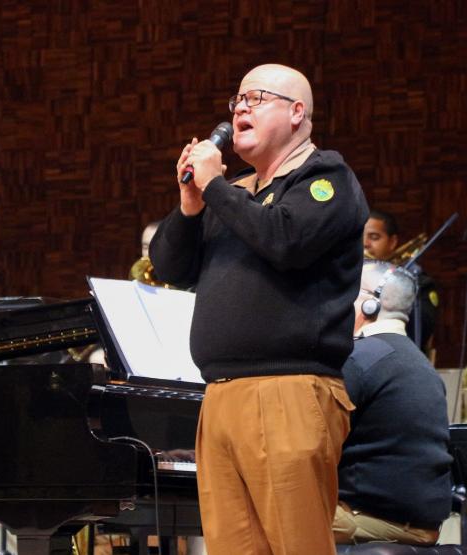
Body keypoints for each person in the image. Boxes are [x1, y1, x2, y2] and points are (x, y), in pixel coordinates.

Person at [150, 63, 368, 555]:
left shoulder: (324, 175)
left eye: (257, 97)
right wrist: (190, 202)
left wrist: (215, 189)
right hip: (222, 397)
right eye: (237, 101)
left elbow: (285, 240)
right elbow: (169, 266)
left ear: (297, 112)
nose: (240, 108)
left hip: (287, 391)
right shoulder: (237, 194)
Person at [333, 261, 452, 546]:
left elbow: (311, 437)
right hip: (421, 524)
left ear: (369, 304)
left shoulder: (359, 360)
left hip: (372, 519)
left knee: (258, 513)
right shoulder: (419, 363)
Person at [362, 209, 438, 354]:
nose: (365, 243)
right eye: (359, 236)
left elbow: (421, 332)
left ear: (392, 242)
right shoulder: (348, 278)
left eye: (374, 237)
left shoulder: (419, 281)